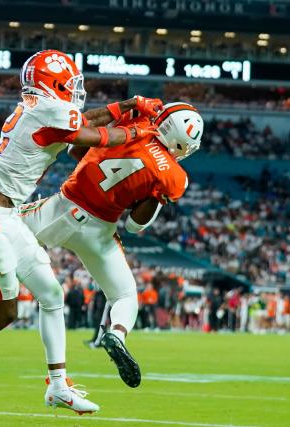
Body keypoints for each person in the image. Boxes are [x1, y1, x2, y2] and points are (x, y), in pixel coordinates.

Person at [0, 49, 156, 412]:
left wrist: (129, 105)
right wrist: (140, 130)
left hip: (6, 217)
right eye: (69, 84)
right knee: (5, 313)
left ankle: (58, 386)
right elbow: (97, 136)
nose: (75, 90)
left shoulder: (40, 106)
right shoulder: (49, 109)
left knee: (52, 295)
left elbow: (81, 120)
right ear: (53, 83)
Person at [20, 101, 201, 387]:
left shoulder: (134, 125)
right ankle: (116, 333)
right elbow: (135, 225)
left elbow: (75, 149)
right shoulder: (175, 177)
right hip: (100, 230)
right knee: (125, 296)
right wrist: (156, 195)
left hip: (64, 208)